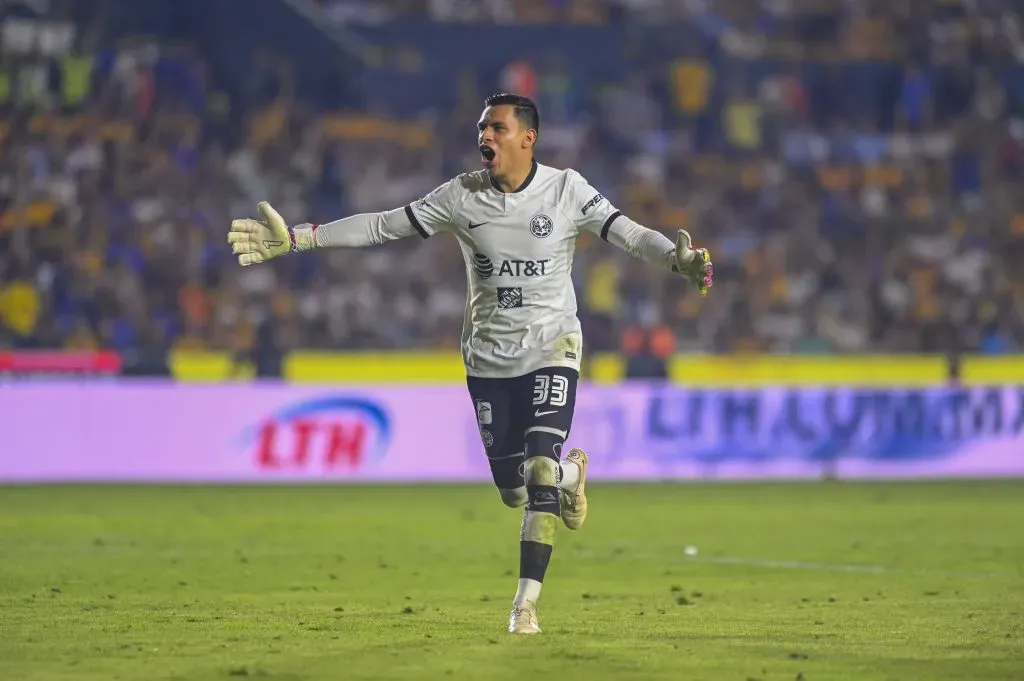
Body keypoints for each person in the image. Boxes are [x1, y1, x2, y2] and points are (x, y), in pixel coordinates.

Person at [227, 93, 714, 634]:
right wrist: (298, 238)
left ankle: (524, 604)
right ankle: (574, 474)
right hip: (487, 358)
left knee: (537, 467)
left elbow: (628, 233)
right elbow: (382, 226)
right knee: (515, 490)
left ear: (527, 137)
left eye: (497, 127)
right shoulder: (461, 196)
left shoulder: (566, 189)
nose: (486, 136)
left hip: (553, 347)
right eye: (482, 127)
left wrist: (677, 257)